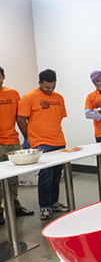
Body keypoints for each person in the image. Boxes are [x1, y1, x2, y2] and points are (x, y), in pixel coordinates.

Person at [17, 69, 68, 220]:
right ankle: (44, 207)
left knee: (57, 173)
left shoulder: (59, 97)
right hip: (40, 143)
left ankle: (54, 202)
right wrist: (30, 138)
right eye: (47, 87)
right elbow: (21, 120)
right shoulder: (29, 97)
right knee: (45, 174)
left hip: (58, 141)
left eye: (53, 86)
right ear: (39, 83)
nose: (50, 90)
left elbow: (59, 118)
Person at [0, 66, 34, 225]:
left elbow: (21, 117)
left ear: (3, 76)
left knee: (13, 177)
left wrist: (28, 138)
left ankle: (15, 206)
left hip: (12, 141)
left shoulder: (13, 94)